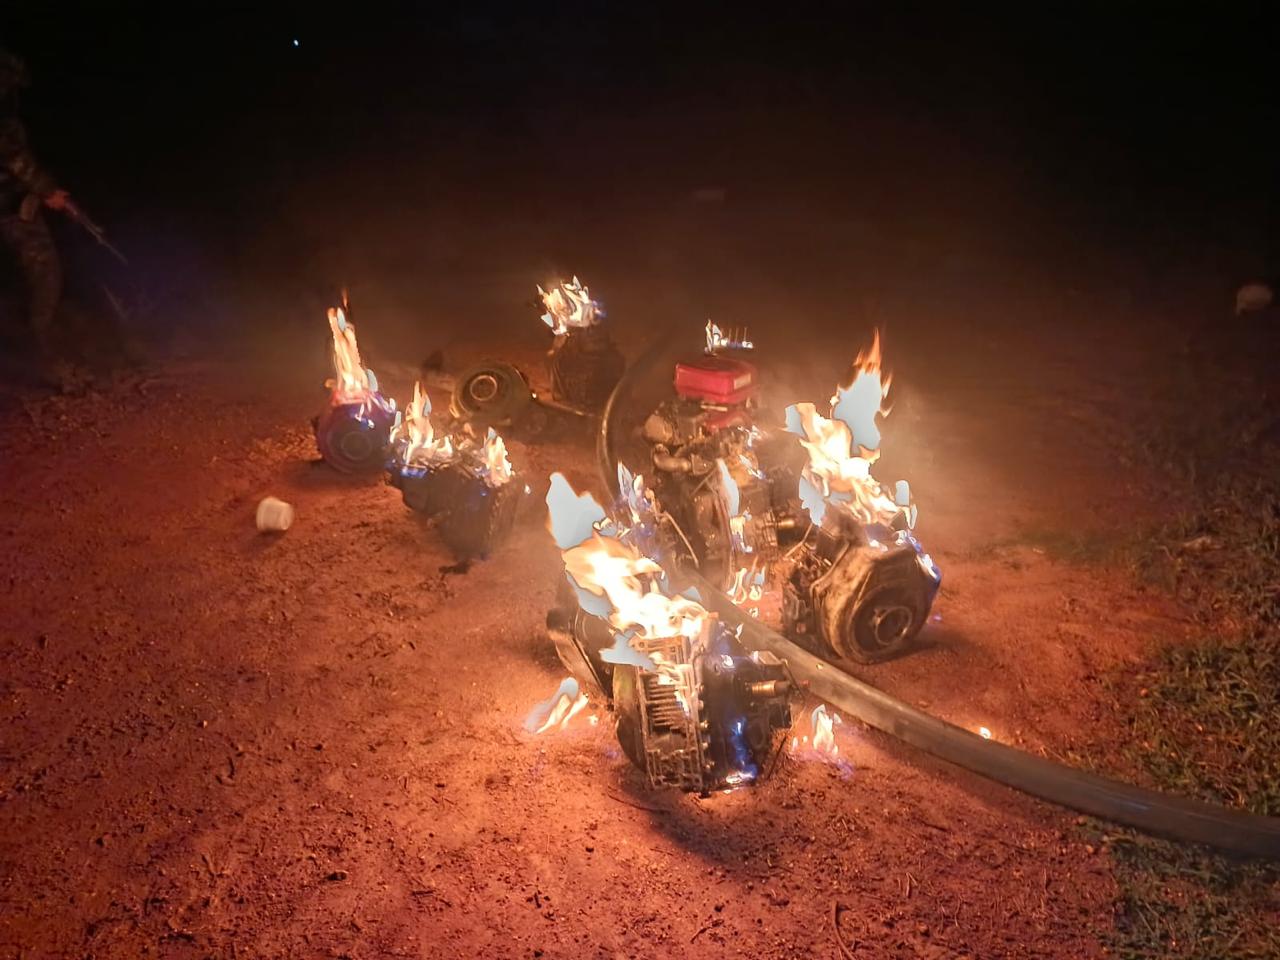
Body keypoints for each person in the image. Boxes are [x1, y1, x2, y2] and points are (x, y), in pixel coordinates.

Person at [0, 49, 71, 384]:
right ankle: (41, 362)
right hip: (7, 207)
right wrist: (47, 190)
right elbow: (14, 157)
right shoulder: (2, 116)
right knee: (44, 274)